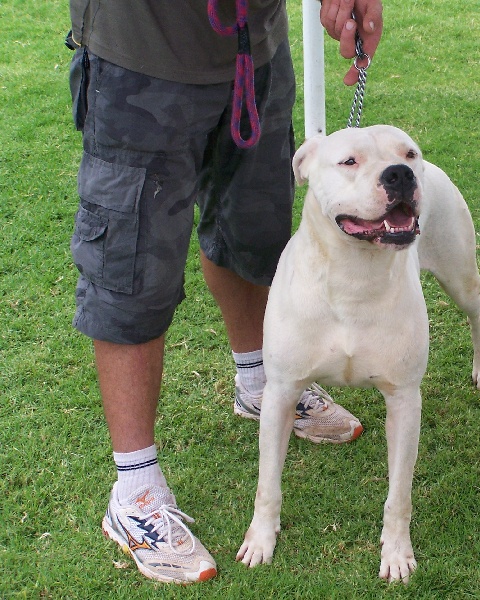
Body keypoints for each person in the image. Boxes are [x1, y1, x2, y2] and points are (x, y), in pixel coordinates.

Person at [66, 0, 383, 584]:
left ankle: (260, 382)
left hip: (254, 50)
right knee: (131, 266)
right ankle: (134, 492)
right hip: (144, 57)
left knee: (254, 234)